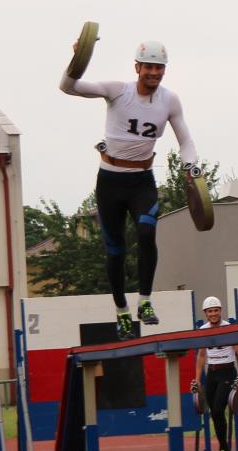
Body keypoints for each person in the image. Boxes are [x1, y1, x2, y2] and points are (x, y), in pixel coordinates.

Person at [60, 39, 198, 339]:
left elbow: (186, 141)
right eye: (148, 67)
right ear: (137, 67)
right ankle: (122, 310)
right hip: (110, 182)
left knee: (147, 232)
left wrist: (190, 166)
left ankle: (145, 301)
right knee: (116, 251)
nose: (154, 73)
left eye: (159, 68)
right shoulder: (117, 90)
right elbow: (68, 87)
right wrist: (78, 58)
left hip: (141, 182)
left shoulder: (170, 100)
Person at [191, 296, 238, 451]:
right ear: (205, 313)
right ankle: (224, 450)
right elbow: (201, 355)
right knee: (214, 413)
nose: (213, 314)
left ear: (220, 311)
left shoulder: (230, 328)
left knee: (217, 410)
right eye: (210, 311)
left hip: (228, 372)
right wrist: (197, 379)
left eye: (216, 310)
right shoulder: (203, 330)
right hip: (211, 374)